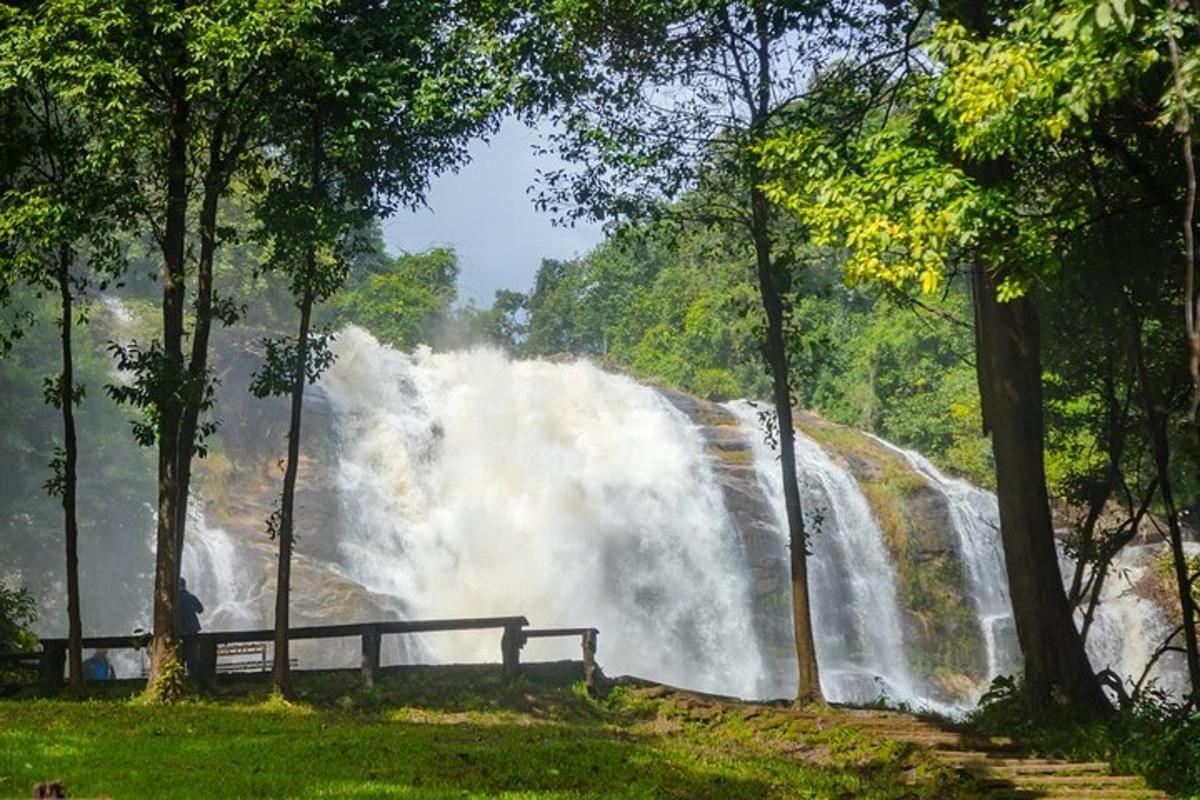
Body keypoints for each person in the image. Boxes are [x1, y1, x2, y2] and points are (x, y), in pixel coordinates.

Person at [178, 577, 204, 674]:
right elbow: (201, 610)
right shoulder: (191, 597)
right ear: (185, 586)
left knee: (180, 656)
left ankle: (179, 677)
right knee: (192, 656)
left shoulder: (173, 599)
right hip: (192, 630)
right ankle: (193, 678)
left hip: (178, 631)